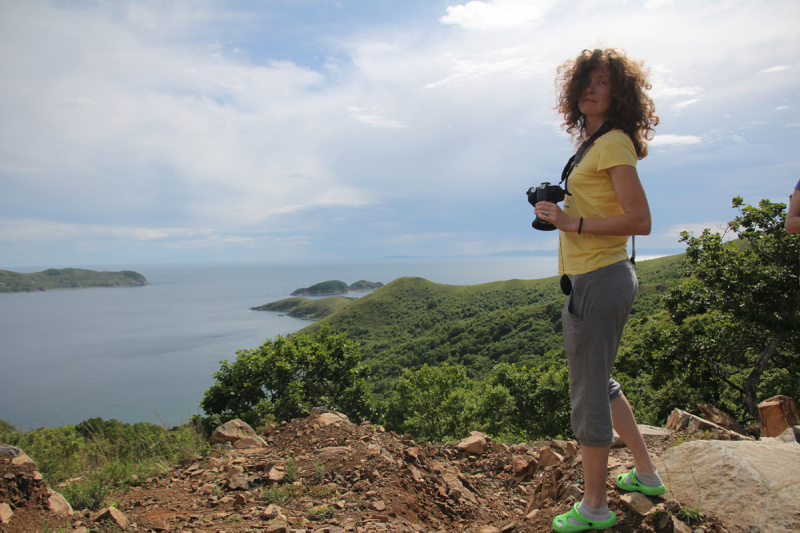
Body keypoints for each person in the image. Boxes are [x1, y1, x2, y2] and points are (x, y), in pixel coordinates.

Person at [534, 48, 665, 532]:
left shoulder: (613, 143)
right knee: (602, 382)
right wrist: (560, 213)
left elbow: (642, 221)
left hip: (601, 279)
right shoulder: (592, 145)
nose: (591, 88)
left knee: (589, 395)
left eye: (603, 82)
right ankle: (646, 475)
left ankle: (594, 508)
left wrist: (573, 221)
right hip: (595, 277)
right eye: (585, 81)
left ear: (619, 93)